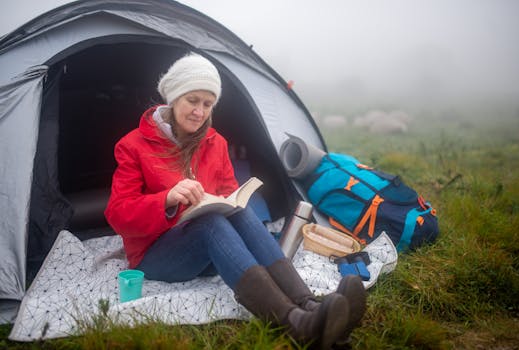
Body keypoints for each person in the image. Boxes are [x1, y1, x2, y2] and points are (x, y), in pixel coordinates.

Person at [104, 52, 366, 349]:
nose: (199, 112)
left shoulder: (216, 142)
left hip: (208, 251)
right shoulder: (133, 146)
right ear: (174, 98)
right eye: (193, 100)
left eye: (207, 103)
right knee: (211, 224)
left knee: (236, 214)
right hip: (157, 255)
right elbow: (117, 214)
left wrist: (230, 200)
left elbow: (229, 192)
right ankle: (293, 322)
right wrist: (167, 199)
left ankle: (311, 307)